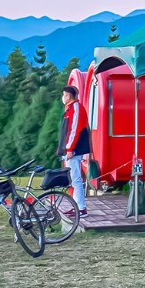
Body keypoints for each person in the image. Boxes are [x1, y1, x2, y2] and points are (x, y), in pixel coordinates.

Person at [58, 86, 91, 217]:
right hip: (70, 150)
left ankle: (81, 209)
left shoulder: (76, 108)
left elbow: (74, 130)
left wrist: (70, 149)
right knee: (74, 179)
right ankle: (77, 206)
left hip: (74, 150)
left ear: (68, 96)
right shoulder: (69, 109)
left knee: (76, 179)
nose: (63, 97)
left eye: (64, 94)